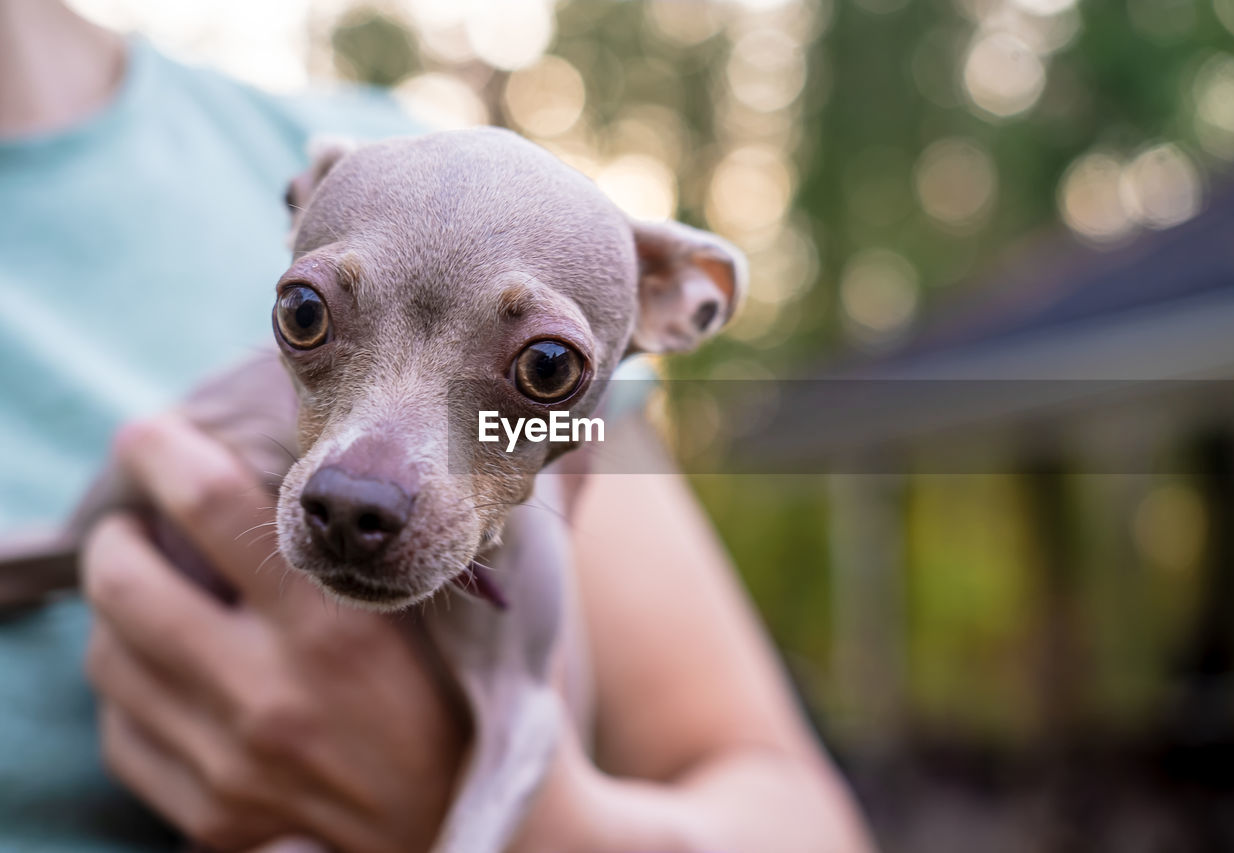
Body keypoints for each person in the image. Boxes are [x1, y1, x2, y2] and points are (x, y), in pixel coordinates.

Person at [0, 0, 876, 850]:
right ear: (303, 201)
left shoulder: (390, 155)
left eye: (542, 370)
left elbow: (795, 813)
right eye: (310, 320)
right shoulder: (358, 185)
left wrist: (479, 823)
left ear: (673, 298)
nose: (365, 486)